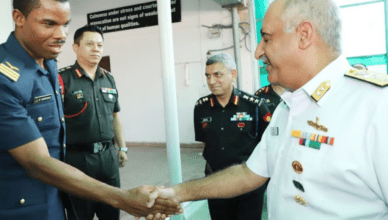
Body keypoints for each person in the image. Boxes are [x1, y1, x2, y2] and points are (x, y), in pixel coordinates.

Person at [157, 0, 388, 219]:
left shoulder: (377, 107)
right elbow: (248, 174)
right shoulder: (287, 108)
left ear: (304, 35)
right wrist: (176, 193)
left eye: (266, 39)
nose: (258, 52)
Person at [0, 1, 180, 220]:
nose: (61, 34)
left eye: (66, 24)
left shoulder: (48, 64)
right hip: (23, 205)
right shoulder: (4, 78)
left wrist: (122, 148)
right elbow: (37, 162)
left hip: (57, 194)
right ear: (19, 18)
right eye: (49, 24)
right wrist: (124, 198)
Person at [58, 25, 128, 220]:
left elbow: (115, 116)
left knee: (111, 213)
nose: (96, 48)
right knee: (80, 215)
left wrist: (122, 147)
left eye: (99, 45)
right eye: (90, 44)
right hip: (78, 160)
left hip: (108, 159)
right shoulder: (62, 79)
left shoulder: (109, 79)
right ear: (75, 47)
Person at [194, 53, 271, 220]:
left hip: (248, 183)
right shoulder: (201, 107)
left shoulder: (255, 106)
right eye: (208, 76)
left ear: (233, 75)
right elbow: (205, 142)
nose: (211, 81)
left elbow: (268, 144)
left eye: (218, 75)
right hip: (215, 182)